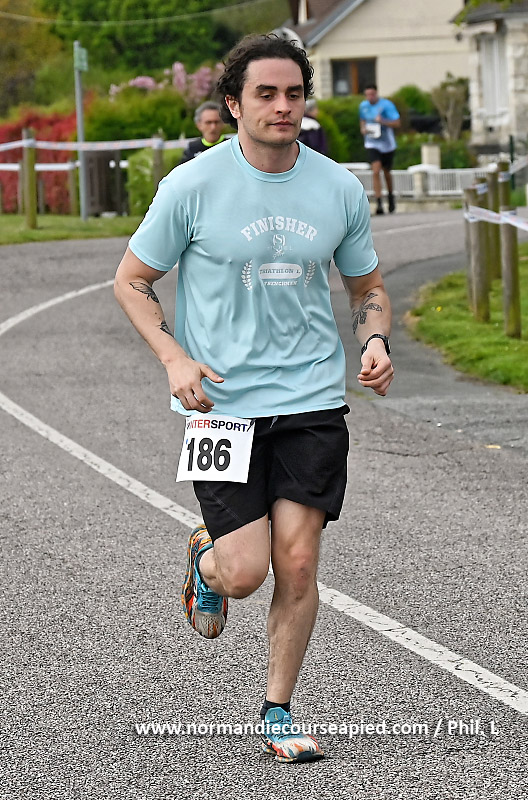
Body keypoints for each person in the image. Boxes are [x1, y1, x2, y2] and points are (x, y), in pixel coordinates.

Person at [114, 33, 393, 764]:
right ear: (233, 104)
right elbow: (132, 281)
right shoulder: (192, 186)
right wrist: (174, 357)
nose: (282, 106)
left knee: (297, 563)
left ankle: (277, 711)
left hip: (311, 398)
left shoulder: (338, 188)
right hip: (222, 405)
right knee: (244, 573)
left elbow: (366, 287)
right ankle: (208, 558)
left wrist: (374, 340)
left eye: (293, 93)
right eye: (265, 94)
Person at [359, 84, 401, 215]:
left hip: (387, 144)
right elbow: (362, 120)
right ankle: (379, 203)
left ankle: (390, 196)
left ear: (376, 93)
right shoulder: (363, 106)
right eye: (367, 95)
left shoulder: (386, 105)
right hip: (372, 143)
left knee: (386, 172)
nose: (370, 97)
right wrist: (363, 128)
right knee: (376, 171)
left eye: (372, 94)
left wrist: (382, 121)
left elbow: (397, 122)